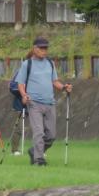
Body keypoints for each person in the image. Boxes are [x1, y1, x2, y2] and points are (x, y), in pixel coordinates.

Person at [17, 37, 72, 166]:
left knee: (51, 135)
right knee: (39, 132)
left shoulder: (50, 63)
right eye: (41, 48)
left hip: (49, 103)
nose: (44, 50)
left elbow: (55, 82)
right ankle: (39, 159)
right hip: (34, 102)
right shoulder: (27, 64)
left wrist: (64, 87)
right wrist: (24, 95)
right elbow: (21, 83)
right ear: (35, 49)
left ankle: (34, 151)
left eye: (46, 48)